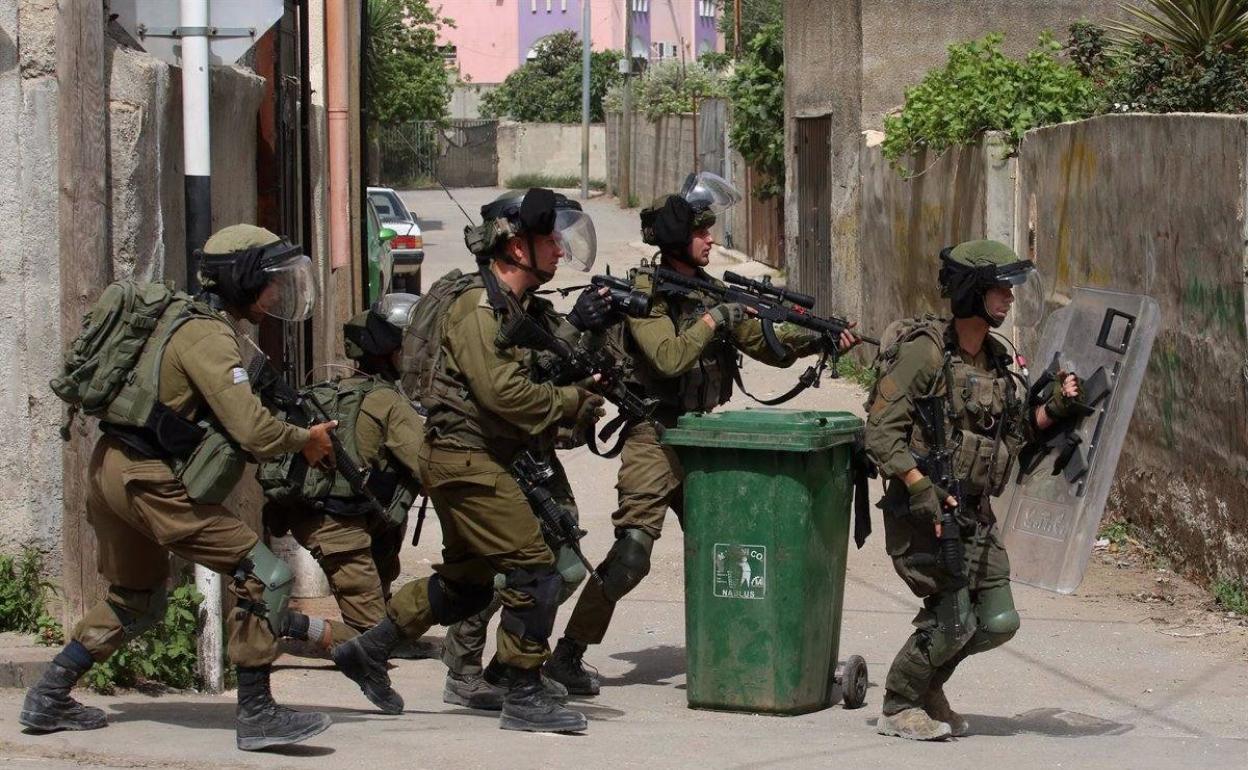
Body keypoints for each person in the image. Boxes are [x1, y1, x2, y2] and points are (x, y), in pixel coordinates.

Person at [22, 224, 337, 751]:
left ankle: (50, 692)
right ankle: (257, 711)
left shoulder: (175, 316)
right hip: (152, 480)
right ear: (242, 279)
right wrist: (305, 439)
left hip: (112, 468)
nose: (277, 294)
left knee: (138, 600)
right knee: (269, 575)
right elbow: (254, 431)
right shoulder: (209, 335)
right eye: (270, 281)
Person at [543, 173, 859, 695]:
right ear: (677, 241)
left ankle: (749, 648)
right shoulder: (647, 294)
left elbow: (767, 344)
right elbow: (668, 358)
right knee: (633, 552)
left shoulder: (709, 291)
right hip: (655, 434)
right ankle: (568, 654)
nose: (713, 239)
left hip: (702, 435)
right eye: (703, 232)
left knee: (732, 550)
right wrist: (715, 319)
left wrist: (819, 339)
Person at [331, 188, 606, 733]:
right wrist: (572, 401)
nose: (558, 248)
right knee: (536, 567)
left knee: (467, 584)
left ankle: (370, 649)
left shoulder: (511, 307)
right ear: (514, 246)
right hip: (468, 459)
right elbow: (502, 394)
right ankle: (523, 689)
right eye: (548, 238)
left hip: (472, 458)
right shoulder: (477, 308)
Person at [864, 240, 1081, 741]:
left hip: (975, 514)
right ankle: (900, 703)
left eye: (1009, 288)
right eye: (998, 288)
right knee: (954, 620)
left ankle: (927, 684)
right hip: (925, 513)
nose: (1008, 298)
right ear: (970, 292)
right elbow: (880, 434)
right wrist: (920, 487)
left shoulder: (997, 361)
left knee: (998, 621)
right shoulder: (925, 353)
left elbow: (1015, 436)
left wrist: (1058, 409)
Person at [258, 294, 424, 650]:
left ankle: (377, 618)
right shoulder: (388, 401)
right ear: (390, 352)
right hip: (338, 529)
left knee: (387, 625)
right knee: (375, 641)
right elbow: (428, 465)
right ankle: (292, 624)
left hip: (328, 518)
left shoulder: (334, 391)